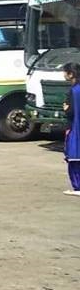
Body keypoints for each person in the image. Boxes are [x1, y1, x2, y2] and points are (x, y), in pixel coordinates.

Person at [62, 62, 80, 195]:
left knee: (74, 158)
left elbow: (70, 112)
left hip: (75, 128)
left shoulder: (73, 91)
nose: (63, 75)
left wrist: (65, 108)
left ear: (71, 74)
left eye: (65, 72)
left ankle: (78, 187)